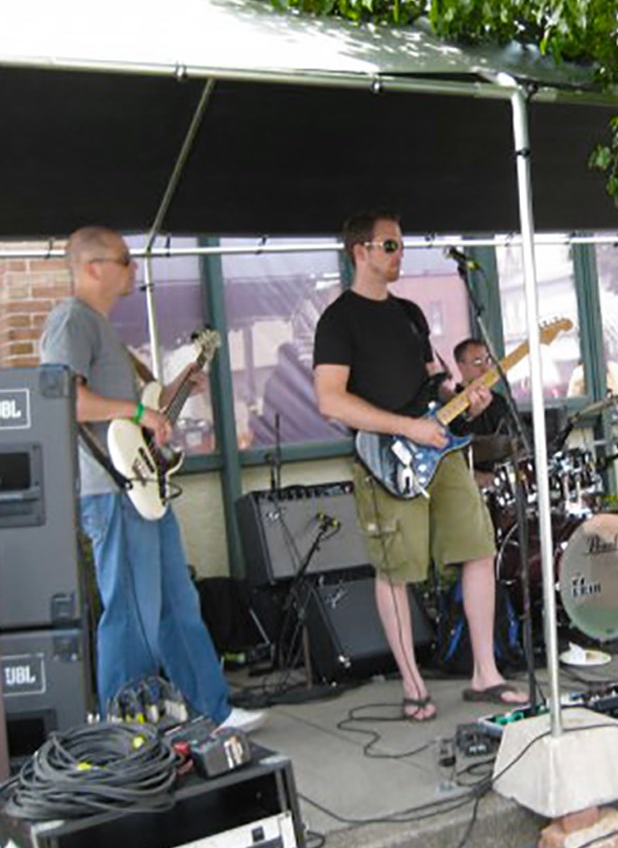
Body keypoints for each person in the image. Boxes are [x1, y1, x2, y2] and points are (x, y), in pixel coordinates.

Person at [40, 226, 264, 731]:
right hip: (111, 490)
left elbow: (139, 411)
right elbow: (67, 401)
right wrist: (137, 410)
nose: (133, 268)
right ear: (93, 267)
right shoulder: (70, 321)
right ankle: (126, 726)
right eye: (124, 259)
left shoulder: (103, 332)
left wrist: (177, 389)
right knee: (129, 609)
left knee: (176, 604)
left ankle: (213, 709)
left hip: (142, 488)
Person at [313, 211, 527, 720]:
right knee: (397, 571)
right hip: (387, 459)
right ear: (360, 251)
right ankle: (413, 687)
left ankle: (485, 673)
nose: (399, 254)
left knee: (477, 549)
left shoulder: (410, 313)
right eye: (389, 245)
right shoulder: (338, 320)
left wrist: (463, 397)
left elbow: (437, 383)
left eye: (401, 246)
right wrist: (405, 428)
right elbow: (330, 401)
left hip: (443, 448)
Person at [450, 337, 517, 487]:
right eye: (477, 363)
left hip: (503, 480)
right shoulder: (450, 404)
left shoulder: (499, 401)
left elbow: (513, 441)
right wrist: (472, 415)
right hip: (468, 483)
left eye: (488, 361)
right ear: (461, 367)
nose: (486, 369)